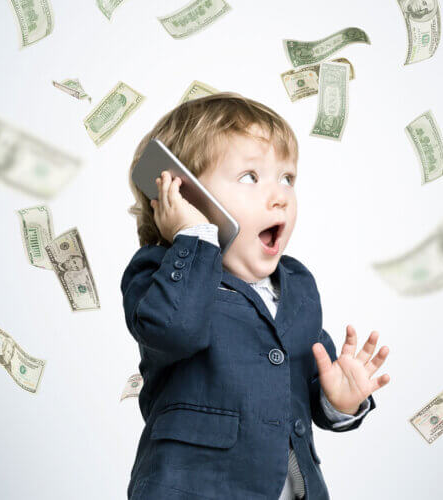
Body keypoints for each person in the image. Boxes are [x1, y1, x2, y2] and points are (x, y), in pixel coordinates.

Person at [121, 92, 391, 499]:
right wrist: (193, 237)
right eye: (250, 177)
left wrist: (339, 400)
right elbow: (176, 329)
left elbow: (306, 381)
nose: (280, 195)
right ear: (185, 195)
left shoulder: (298, 285)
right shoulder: (157, 273)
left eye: (287, 178)